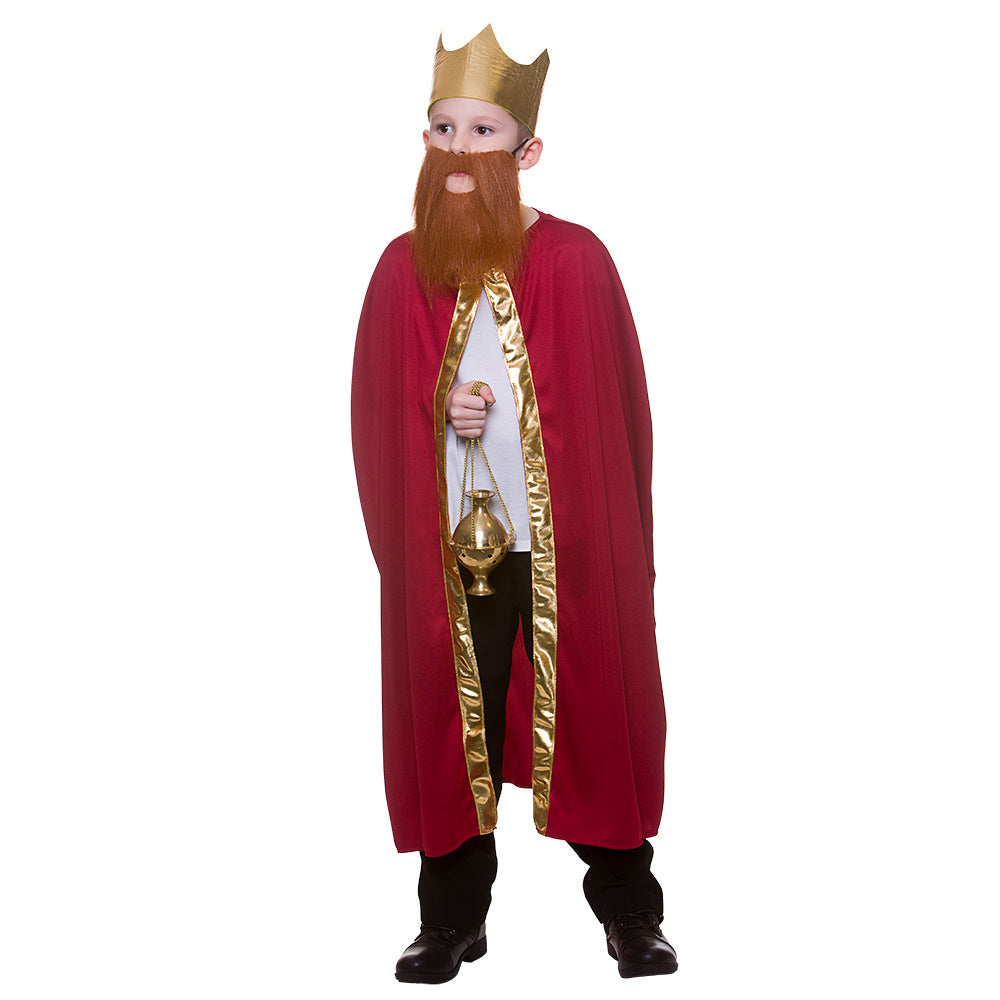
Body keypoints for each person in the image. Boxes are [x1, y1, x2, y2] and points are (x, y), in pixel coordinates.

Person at [351, 25, 676, 983]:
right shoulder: (400, 268)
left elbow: (616, 408)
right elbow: (375, 410)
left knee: (594, 712)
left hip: (567, 545)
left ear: (526, 151)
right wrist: (437, 408)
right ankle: (450, 922)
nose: (457, 150)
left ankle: (630, 911)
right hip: (454, 552)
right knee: (456, 731)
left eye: (482, 131)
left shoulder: (576, 260)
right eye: (442, 128)